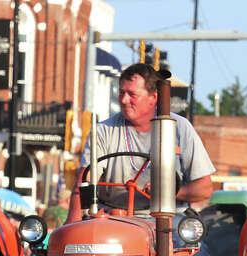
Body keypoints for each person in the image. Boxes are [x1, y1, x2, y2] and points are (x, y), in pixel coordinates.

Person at [82, 62, 215, 211]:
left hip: (167, 216)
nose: (124, 100)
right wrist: (73, 219)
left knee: (188, 231)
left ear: (153, 97)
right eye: (121, 93)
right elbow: (84, 182)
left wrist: (166, 192)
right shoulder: (102, 131)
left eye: (132, 94)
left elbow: (204, 189)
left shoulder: (180, 128)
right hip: (114, 216)